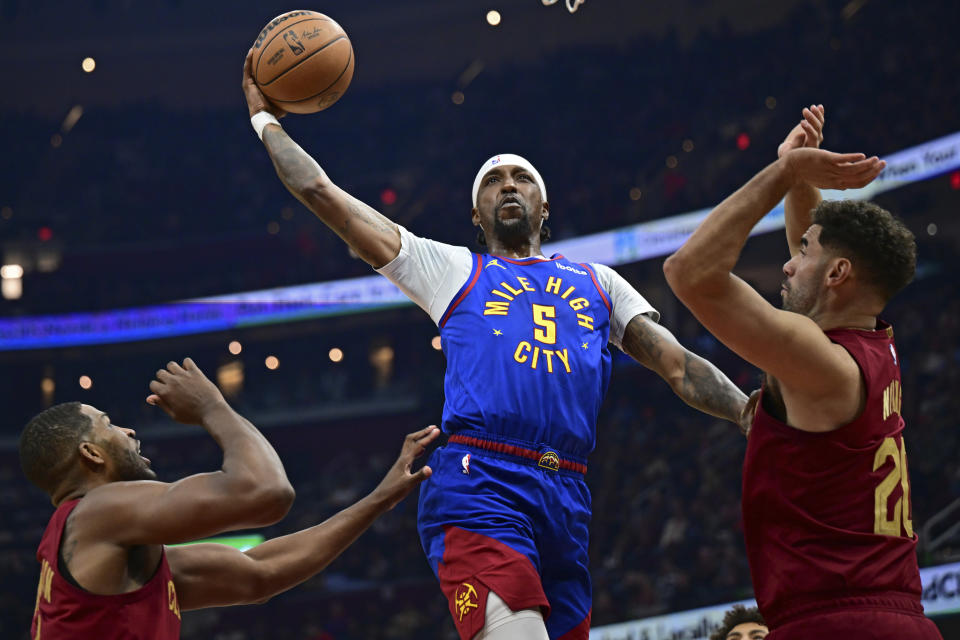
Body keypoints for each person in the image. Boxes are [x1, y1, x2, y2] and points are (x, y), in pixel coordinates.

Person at [242, 51, 751, 640]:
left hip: (568, 494)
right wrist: (265, 120)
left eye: (522, 178)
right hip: (478, 479)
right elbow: (321, 193)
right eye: (493, 181)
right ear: (476, 212)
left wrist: (744, 410)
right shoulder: (451, 269)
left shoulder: (599, 282)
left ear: (544, 204)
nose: (508, 186)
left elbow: (679, 366)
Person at [663, 105, 942, 638]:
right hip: (891, 618)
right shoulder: (871, 347)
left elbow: (688, 272)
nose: (787, 263)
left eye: (802, 254)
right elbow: (811, 264)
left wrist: (784, 175)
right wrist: (798, 175)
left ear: (838, 273)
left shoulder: (823, 363)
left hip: (837, 624)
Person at [20, 357, 439, 639]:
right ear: (91, 454)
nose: (128, 431)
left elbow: (261, 572)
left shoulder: (104, 548)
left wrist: (379, 499)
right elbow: (266, 492)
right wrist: (212, 406)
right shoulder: (99, 510)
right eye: (108, 424)